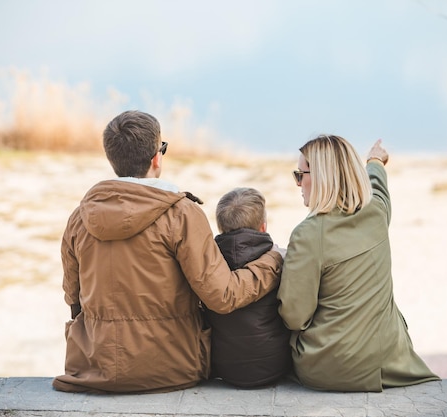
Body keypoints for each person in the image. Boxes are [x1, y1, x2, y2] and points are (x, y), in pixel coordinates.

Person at [52, 110, 283, 394]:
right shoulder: (182, 214)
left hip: (92, 366)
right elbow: (223, 296)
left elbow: (73, 299)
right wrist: (273, 260)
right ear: (156, 157)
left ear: (113, 159)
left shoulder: (80, 218)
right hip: (173, 368)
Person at [277, 136, 439, 392]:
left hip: (330, 368)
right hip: (390, 361)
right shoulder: (377, 212)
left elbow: (295, 317)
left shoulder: (307, 234)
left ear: (321, 177)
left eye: (300, 175)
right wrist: (375, 160)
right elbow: (377, 185)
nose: (298, 183)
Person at [203, 187, 292, 388]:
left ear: (220, 228)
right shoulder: (279, 259)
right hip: (275, 363)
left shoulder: (209, 265)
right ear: (263, 227)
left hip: (222, 365)